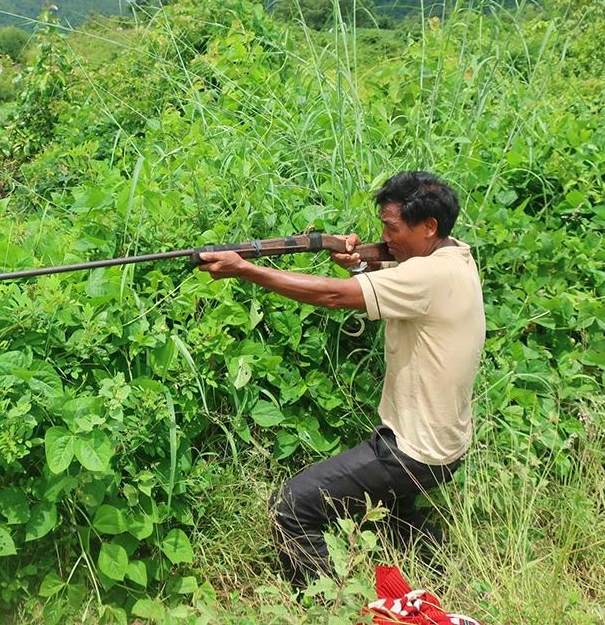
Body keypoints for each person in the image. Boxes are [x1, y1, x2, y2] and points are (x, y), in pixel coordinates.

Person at [196, 171, 485, 588]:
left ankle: (325, 604)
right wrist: (364, 261)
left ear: (429, 227)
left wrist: (246, 270)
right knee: (393, 512)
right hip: (445, 443)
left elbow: (334, 296)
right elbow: (395, 268)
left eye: (391, 228)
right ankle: (439, 574)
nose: (385, 236)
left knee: (291, 506)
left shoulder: (429, 276)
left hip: (414, 450)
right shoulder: (455, 256)